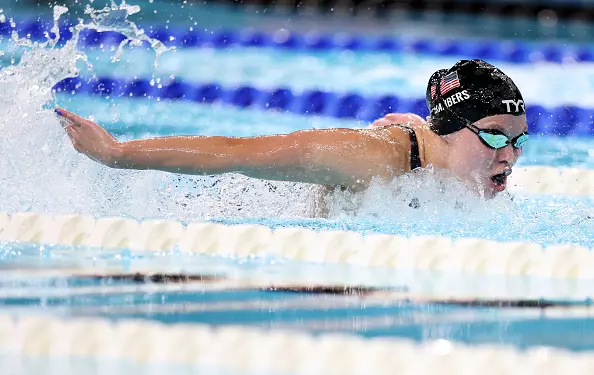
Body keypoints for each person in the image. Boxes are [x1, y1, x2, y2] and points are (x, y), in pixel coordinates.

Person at [56, 59, 528, 201]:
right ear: (446, 131)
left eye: (519, 139)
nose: (508, 154)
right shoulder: (375, 156)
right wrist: (117, 152)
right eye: (493, 135)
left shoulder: (464, 168)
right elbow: (237, 151)